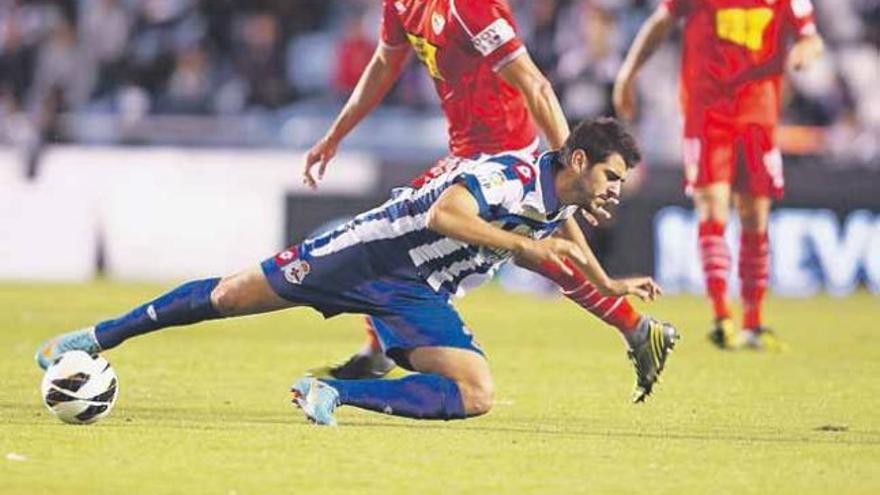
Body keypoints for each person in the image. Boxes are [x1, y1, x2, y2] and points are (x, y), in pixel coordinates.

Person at [35, 118, 680, 425]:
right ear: (575, 158)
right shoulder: (508, 175)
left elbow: (556, 235)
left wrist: (609, 281)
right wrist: (526, 253)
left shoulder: (555, 201)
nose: (615, 190)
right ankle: (95, 339)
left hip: (418, 294)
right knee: (231, 295)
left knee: (476, 392)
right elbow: (446, 216)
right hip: (366, 253)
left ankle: (332, 394)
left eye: (621, 181)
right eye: (609, 176)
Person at [303, 0, 657, 382]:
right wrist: (336, 134)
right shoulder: (400, 5)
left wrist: (568, 163)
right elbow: (385, 64)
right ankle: (637, 328)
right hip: (467, 154)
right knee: (536, 254)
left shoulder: (470, 6)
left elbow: (535, 84)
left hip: (505, 155)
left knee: (396, 235)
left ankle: (378, 350)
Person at [613, 0, 823, 350]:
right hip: (708, 113)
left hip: (759, 117)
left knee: (755, 216)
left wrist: (804, 51)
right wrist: (628, 72)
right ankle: (721, 317)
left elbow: (811, 37)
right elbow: (660, 22)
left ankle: (754, 323)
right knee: (713, 208)